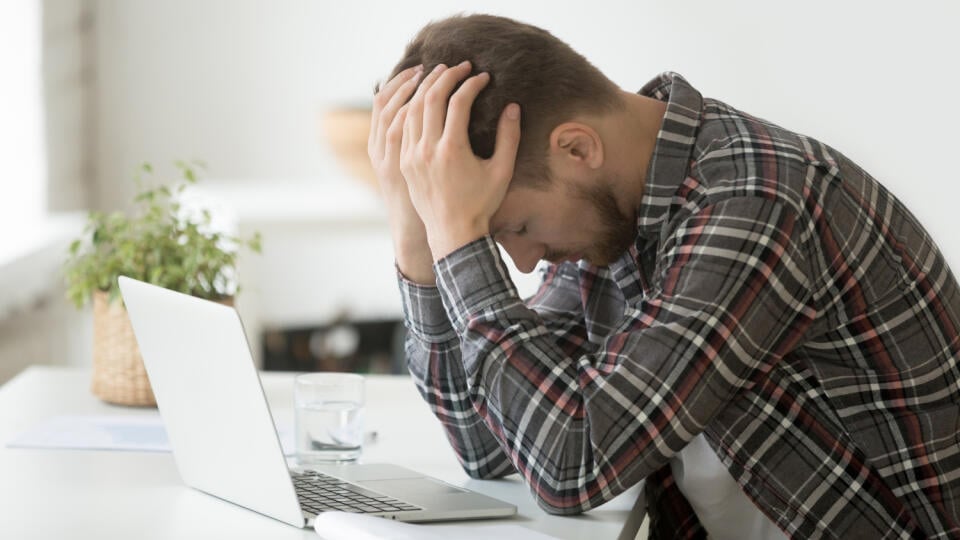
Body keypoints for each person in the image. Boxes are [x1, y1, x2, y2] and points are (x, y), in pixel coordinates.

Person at [367, 13, 960, 539]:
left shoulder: (755, 201)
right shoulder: (615, 218)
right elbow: (493, 445)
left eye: (515, 227)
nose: (525, 263)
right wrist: (415, 235)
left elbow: (572, 464)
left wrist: (459, 240)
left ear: (576, 149)